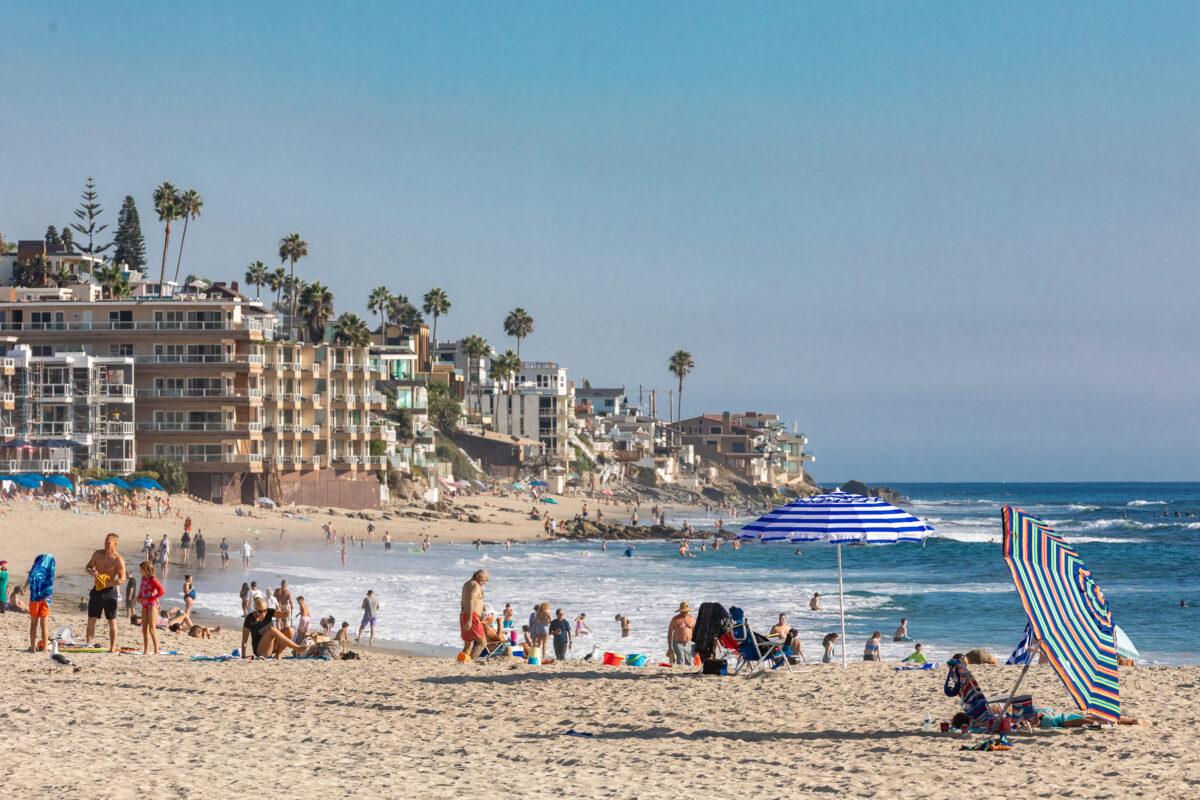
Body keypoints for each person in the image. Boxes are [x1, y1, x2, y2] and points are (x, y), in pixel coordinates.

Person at [85, 533, 127, 652]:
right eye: (105, 541)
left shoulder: (118, 560)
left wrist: (109, 583)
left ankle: (112, 647)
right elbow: (88, 566)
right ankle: (89, 644)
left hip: (110, 592)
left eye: (108, 542)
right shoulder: (97, 554)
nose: (106, 544)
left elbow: (123, 579)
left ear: (115, 544)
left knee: (112, 621)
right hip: (97, 590)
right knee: (91, 619)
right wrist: (91, 572)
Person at [240, 597, 306, 659]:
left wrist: (288, 609)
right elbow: (244, 640)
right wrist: (243, 655)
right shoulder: (249, 619)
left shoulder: (269, 612)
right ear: (255, 609)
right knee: (272, 630)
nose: (263, 613)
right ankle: (297, 648)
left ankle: (278, 654)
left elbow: (284, 615)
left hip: (273, 646)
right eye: (260, 611)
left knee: (290, 630)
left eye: (265, 610)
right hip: (260, 651)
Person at [137, 560, 166, 655]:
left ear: (146, 569)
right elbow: (141, 588)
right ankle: (146, 650)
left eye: (141, 569)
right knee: (144, 628)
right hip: (144, 604)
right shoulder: (143, 578)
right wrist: (139, 597)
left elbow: (162, 591)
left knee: (152, 628)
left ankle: (156, 651)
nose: (140, 571)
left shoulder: (153, 579)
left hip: (152, 605)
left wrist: (150, 599)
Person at [459, 569, 488, 660]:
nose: (486, 582)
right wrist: (469, 620)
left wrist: (463, 617)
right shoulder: (476, 586)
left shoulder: (467, 584)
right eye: (486, 580)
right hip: (472, 617)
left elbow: (463, 602)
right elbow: (471, 602)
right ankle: (470, 661)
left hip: (464, 615)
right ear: (481, 578)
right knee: (482, 643)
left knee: (468, 644)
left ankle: (462, 661)